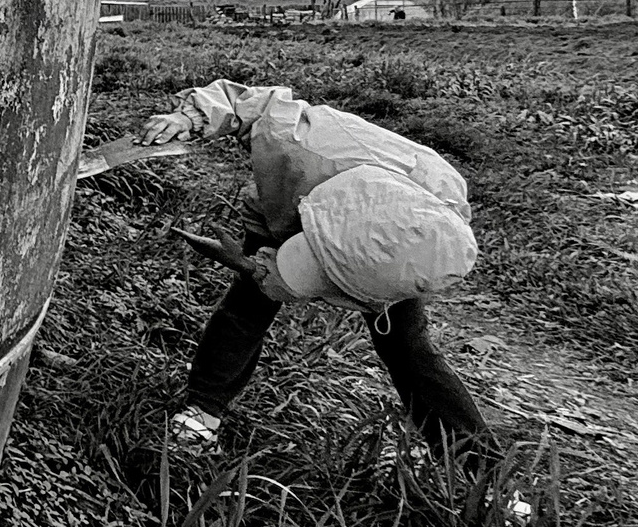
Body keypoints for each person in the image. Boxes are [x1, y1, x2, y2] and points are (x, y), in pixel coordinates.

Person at [137, 79, 489, 451]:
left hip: (391, 239)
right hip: (295, 202)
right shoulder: (302, 144)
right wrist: (188, 117)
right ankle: (202, 411)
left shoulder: (430, 228)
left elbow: (407, 261)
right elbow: (252, 102)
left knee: (407, 347)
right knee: (249, 305)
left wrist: (370, 291)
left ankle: (479, 468)